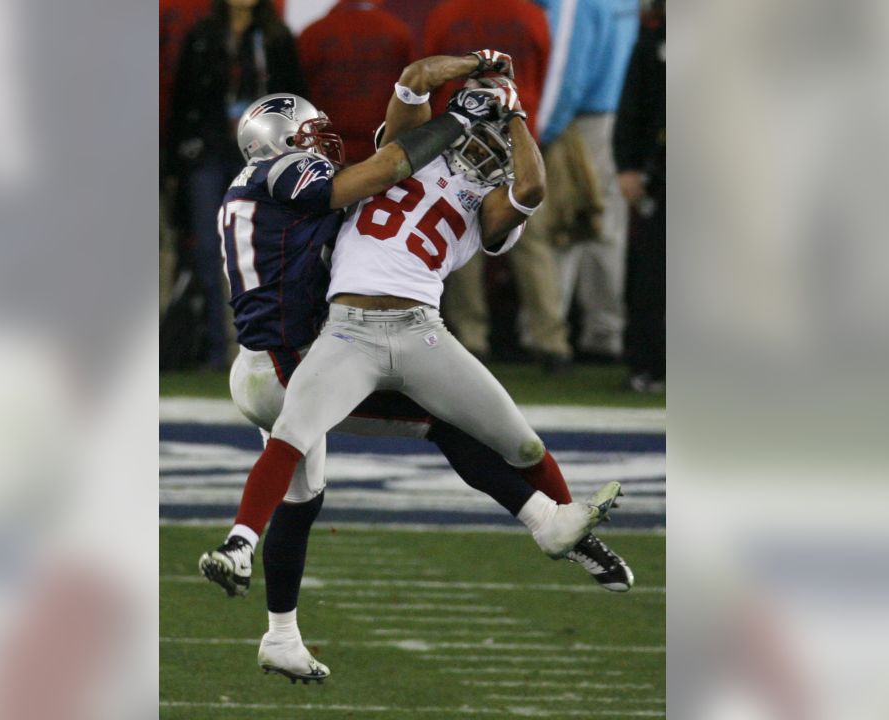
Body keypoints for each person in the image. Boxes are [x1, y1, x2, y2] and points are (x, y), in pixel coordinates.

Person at [201, 53, 634, 681]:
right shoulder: (322, 168)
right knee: (426, 428)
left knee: (324, 487)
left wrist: (511, 115)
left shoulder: (477, 197)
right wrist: (472, 82)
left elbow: (526, 191)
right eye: (312, 133)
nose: (484, 151)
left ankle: (280, 633)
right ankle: (239, 546)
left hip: (358, 341)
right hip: (305, 351)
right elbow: (407, 101)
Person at [423, 0, 574, 370]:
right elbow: (546, 77)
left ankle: (471, 339)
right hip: (516, 140)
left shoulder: (447, 14)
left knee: (458, 240)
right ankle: (551, 341)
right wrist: (534, 129)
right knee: (532, 244)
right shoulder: (532, 16)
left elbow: (430, 77)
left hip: (458, 145)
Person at [164, 0, 307, 370]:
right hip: (206, 153)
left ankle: (260, 347)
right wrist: (176, 162)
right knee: (210, 251)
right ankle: (218, 350)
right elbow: (183, 99)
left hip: (260, 154)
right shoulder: (202, 35)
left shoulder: (276, 38)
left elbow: (294, 98)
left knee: (259, 251)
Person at [532, 0, 641, 360]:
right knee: (608, 230)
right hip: (619, 116)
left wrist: (542, 132)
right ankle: (605, 332)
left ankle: (548, 331)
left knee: (560, 225)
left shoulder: (575, 4)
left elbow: (569, 71)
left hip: (580, 122)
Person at [614, 0, 666, 392]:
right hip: (664, 171)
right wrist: (627, 165)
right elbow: (632, 104)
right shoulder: (654, 42)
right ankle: (649, 364)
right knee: (654, 270)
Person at [297, 0, 415, 165]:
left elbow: (298, 95)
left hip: (327, 151)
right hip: (386, 151)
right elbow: (415, 91)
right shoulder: (398, 31)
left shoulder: (312, 34)